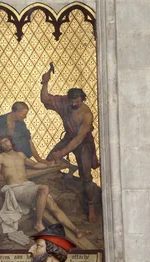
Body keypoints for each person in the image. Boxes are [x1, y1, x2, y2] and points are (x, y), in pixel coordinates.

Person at [0, 136, 92, 239]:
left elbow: (35, 165)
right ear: (0, 146)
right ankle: (38, 223)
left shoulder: (20, 155)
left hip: (28, 187)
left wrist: (50, 166)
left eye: (6, 141)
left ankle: (77, 231)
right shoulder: (0, 157)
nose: (5, 144)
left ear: (11, 141)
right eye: (2, 143)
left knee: (53, 206)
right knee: (44, 188)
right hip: (16, 189)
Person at [41, 71, 99, 223]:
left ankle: (91, 208)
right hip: (68, 138)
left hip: (83, 143)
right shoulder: (65, 102)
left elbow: (79, 139)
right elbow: (45, 99)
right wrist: (45, 82)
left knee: (86, 175)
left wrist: (62, 152)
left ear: (82, 99)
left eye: (77, 102)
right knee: (49, 160)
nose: (73, 104)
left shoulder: (86, 114)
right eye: (72, 101)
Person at [0, 101, 46, 176]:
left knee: (23, 141)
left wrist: (39, 159)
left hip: (13, 155)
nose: (25, 117)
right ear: (15, 112)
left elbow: (29, 142)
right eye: (23, 114)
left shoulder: (20, 123)